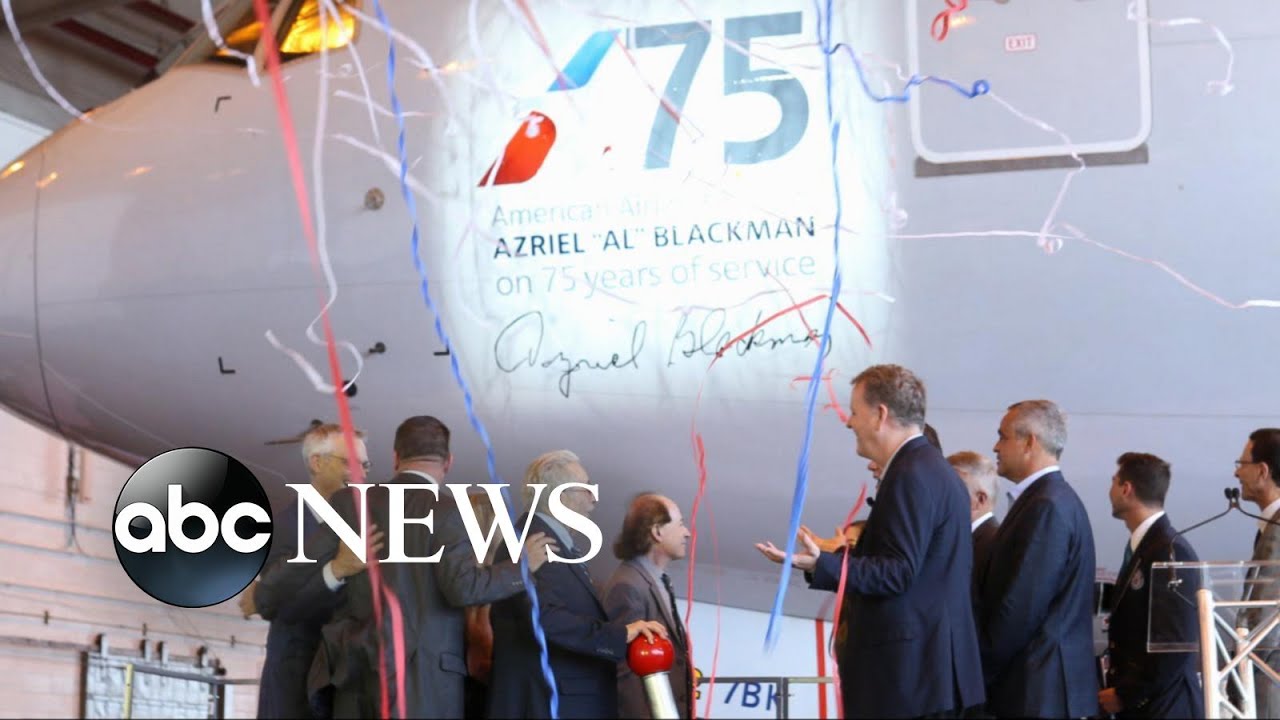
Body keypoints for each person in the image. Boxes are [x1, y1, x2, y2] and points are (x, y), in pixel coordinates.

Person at [756, 364, 984, 718]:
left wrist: (824, 564)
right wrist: (831, 558)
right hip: (927, 675)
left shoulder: (911, 474)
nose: (849, 422)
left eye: (855, 412)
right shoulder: (929, 468)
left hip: (909, 678)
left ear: (880, 415)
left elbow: (897, 573)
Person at [311, 416, 555, 718]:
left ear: (396, 457)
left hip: (357, 674)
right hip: (427, 684)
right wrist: (522, 567)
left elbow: (316, 582)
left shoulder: (350, 503)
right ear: (448, 462)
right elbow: (464, 588)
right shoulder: (448, 511)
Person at [487, 450, 667, 719]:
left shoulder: (548, 542)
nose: (594, 498)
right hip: (548, 704)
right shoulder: (530, 543)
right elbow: (543, 617)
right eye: (585, 488)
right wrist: (618, 635)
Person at [241, 423, 367, 718]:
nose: (359, 474)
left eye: (365, 465)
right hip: (296, 684)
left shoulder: (362, 527)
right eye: (349, 462)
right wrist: (335, 572)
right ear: (317, 462)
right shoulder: (281, 529)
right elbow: (280, 606)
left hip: (344, 683)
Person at [982, 400, 1098, 718]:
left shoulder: (1047, 505)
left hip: (1039, 691)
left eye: (1003, 436)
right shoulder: (1049, 499)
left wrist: (979, 667)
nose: (996, 446)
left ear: (1029, 441)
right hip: (1040, 688)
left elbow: (1020, 606)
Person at [1100, 452, 1203, 718]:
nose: (1109, 489)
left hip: (1165, 707)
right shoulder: (1149, 546)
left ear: (1126, 489)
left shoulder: (1170, 551)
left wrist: (1127, 695)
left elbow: (1175, 645)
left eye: (1113, 481)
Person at [603, 494, 694, 718]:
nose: (687, 533)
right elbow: (628, 678)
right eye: (680, 524)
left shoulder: (655, 579)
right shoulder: (627, 586)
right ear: (657, 532)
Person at [1235, 428, 1280, 718]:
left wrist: (1235, 670)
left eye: (1241, 464)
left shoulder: (1278, 531)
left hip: (1268, 683)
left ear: (1262, 470)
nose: (1237, 473)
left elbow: (1265, 625)